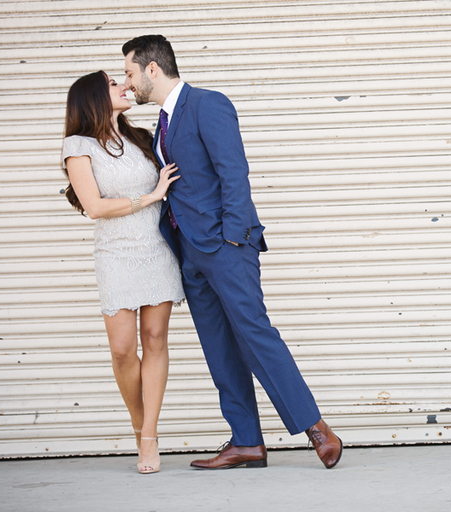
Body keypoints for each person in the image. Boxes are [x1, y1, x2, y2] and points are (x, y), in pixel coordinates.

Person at [122, 35, 343, 470]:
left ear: (152, 68)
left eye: (130, 73)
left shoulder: (208, 104)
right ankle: (246, 441)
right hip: (189, 253)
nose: (129, 85)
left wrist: (234, 240)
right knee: (219, 348)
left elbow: (233, 172)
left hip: (226, 247)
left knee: (255, 334)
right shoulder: (160, 126)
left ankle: (316, 427)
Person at [60, 70, 185, 474]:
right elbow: (94, 207)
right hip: (115, 254)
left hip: (156, 249)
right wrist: (150, 196)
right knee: (122, 349)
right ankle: (138, 423)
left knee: (155, 339)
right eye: (116, 85)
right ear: (95, 97)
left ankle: (149, 436)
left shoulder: (142, 138)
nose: (125, 87)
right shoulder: (77, 145)